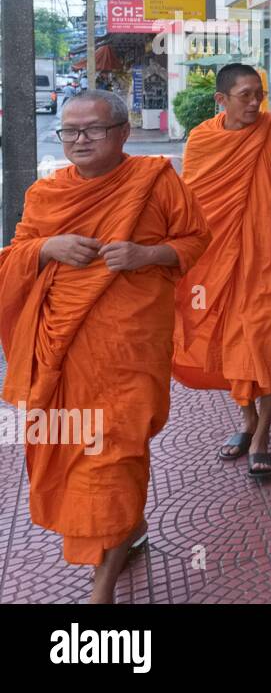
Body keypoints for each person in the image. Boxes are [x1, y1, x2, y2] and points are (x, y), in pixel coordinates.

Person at [0, 91, 210, 603]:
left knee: (115, 453)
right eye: (70, 131)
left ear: (122, 132)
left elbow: (195, 239)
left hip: (129, 350)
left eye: (92, 130)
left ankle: (102, 590)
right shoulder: (45, 195)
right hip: (63, 354)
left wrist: (146, 254)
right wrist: (47, 248)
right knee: (78, 449)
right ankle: (126, 529)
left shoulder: (156, 181)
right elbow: (14, 257)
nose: (79, 140)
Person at [172, 64, 271, 480]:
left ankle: (263, 436)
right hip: (217, 260)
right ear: (222, 100)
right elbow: (191, 204)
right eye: (245, 95)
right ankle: (247, 420)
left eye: (259, 95)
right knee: (230, 341)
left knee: (266, 345)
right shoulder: (202, 140)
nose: (255, 103)